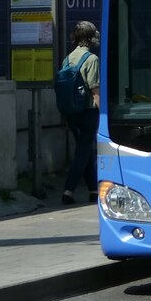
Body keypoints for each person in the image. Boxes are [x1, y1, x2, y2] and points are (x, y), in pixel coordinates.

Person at [61, 20, 101, 205]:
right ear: (89, 38)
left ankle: (93, 190)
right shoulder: (91, 59)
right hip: (88, 111)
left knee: (86, 150)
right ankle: (68, 190)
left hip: (71, 111)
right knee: (83, 151)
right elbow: (95, 89)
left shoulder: (68, 58)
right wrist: (103, 113)